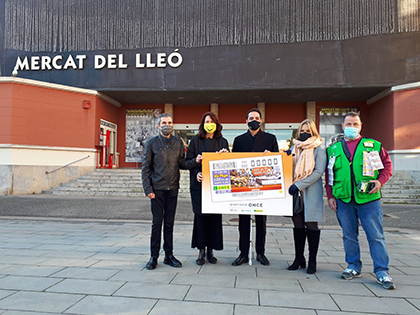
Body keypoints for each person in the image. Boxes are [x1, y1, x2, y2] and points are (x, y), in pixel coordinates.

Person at [325, 112, 395, 290]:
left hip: (369, 199)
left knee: (376, 236)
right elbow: (329, 175)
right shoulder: (333, 149)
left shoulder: (372, 146)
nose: (352, 127)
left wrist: (380, 181)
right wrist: (330, 196)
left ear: (361, 125)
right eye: (348, 124)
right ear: (342, 127)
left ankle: (382, 271)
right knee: (349, 236)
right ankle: (353, 266)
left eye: (355, 124)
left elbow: (387, 165)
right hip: (344, 199)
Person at [142, 113, 202, 270]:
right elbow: (146, 167)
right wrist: (148, 188)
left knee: (169, 224)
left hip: (172, 189)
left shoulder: (178, 142)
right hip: (157, 190)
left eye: (169, 122)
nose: (167, 125)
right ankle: (153, 257)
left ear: (173, 125)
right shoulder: (152, 143)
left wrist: (194, 161)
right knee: (157, 224)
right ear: (158, 125)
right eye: (163, 122)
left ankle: (169, 255)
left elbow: (182, 163)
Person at [231, 108, 279, 266]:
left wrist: (270, 157)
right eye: (251, 118)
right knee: (243, 221)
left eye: (257, 118)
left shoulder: (270, 138)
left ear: (261, 120)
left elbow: (277, 163)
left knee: (261, 221)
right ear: (246, 121)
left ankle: (260, 252)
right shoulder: (239, 140)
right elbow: (234, 163)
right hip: (243, 187)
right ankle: (243, 253)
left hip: (262, 187)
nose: (254, 120)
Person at [186, 112, 230, 265]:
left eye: (212, 121)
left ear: (216, 124)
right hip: (199, 186)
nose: (209, 123)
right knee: (200, 218)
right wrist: (196, 170)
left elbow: (229, 165)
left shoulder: (222, 141)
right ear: (202, 124)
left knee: (214, 218)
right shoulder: (195, 141)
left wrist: (225, 155)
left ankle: (211, 251)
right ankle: (201, 251)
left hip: (217, 188)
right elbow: (187, 163)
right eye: (206, 121)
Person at [287, 119, 326, 274]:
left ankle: (312, 260)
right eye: (302, 130)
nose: (304, 133)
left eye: (307, 131)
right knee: (297, 226)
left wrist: (299, 185)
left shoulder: (318, 148)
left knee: (311, 226)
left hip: (310, 192)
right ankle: (299, 258)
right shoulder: (294, 147)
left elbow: (318, 172)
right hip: (295, 193)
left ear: (313, 132)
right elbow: (287, 165)